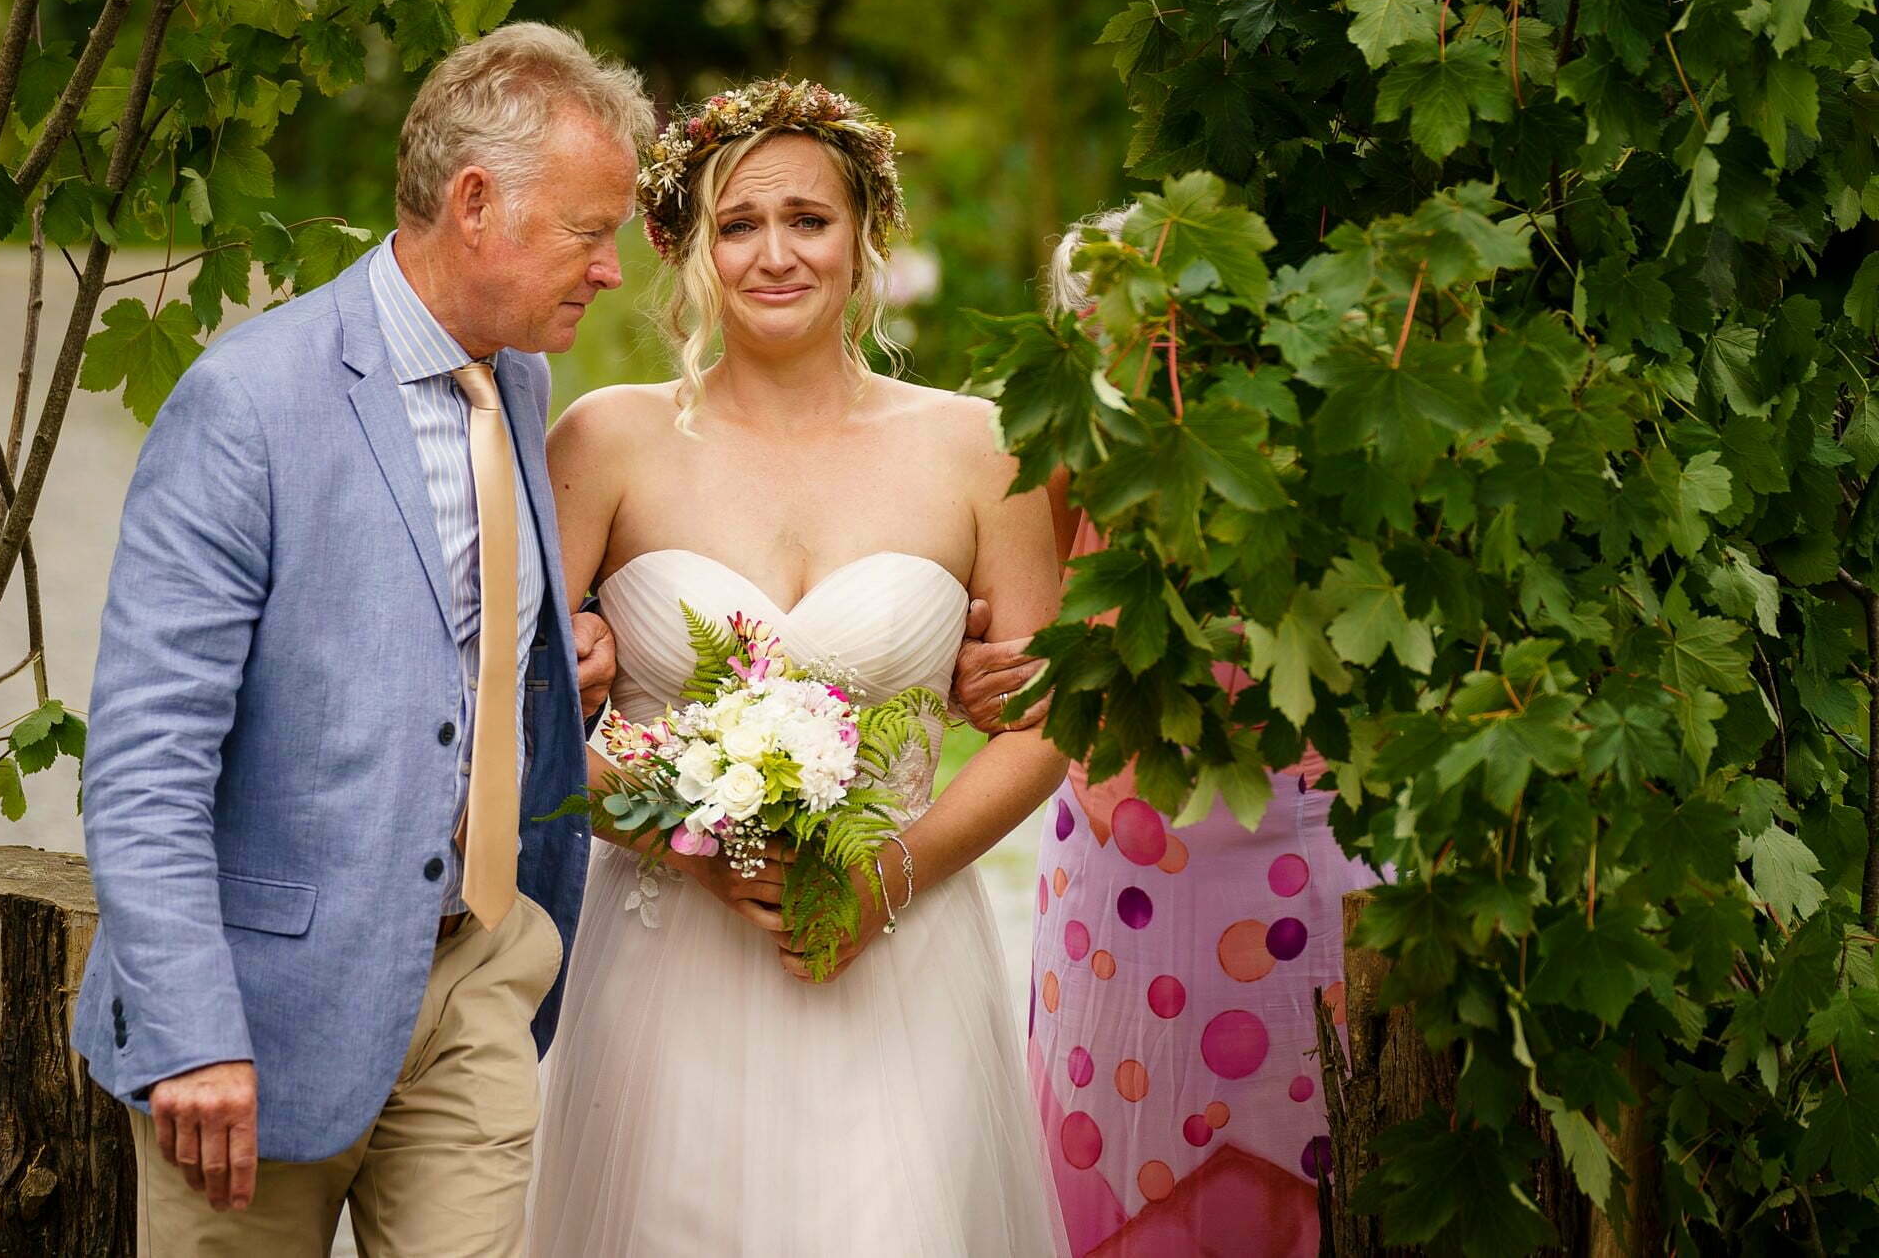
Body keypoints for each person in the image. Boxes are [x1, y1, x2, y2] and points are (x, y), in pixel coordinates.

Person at [72, 23, 653, 1255]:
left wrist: (564, 667)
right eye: (589, 231)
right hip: (261, 1016)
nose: (610, 268)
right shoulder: (246, 403)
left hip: (480, 979)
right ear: (477, 202)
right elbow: (143, 756)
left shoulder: (523, 379)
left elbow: (432, 648)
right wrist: (193, 1027)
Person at [530, 80, 1067, 1256]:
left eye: (808, 220)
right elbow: (518, 724)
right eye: (737, 224)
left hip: (902, 955)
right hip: (670, 960)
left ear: (865, 232)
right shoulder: (605, 440)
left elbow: (1042, 720)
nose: (774, 254)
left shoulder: (979, 447)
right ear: (689, 251)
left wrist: (891, 874)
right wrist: (689, 838)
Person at [952, 210, 1384, 1257]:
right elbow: (1005, 640)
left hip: (1308, 859)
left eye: (1172, 308)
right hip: (1130, 887)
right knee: (1127, 1156)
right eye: (1105, 316)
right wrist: (978, 668)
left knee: (1331, 1147)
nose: (1145, 341)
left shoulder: (1307, 445)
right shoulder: (1060, 456)